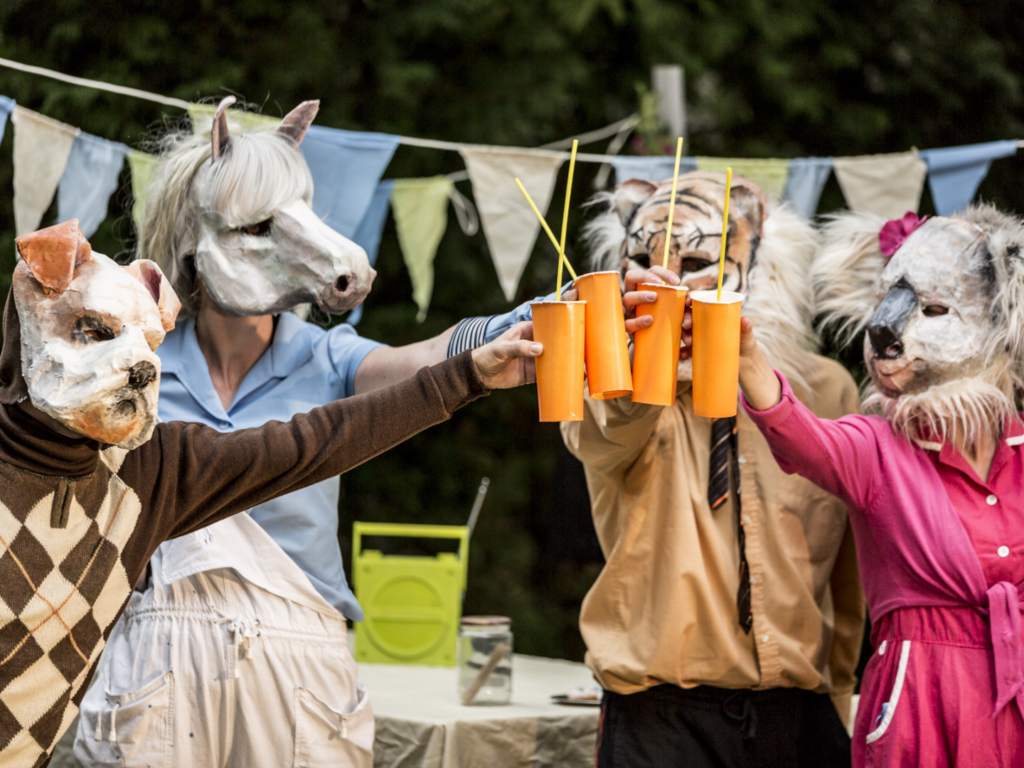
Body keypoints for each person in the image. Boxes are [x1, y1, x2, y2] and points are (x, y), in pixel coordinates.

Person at [72, 97, 543, 767]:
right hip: (155, 657)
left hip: (301, 662)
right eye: (260, 224)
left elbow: (423, 362)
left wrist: (524, 320)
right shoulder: (129, 372)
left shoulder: (328, 359)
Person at [561, 171, 865, 768]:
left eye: (697, 258)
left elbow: (851, 578)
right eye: (642, 258)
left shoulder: (826, 391)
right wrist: (635, 355)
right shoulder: (609, 383)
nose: (665, 277)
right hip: (661, 716)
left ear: (764, 266)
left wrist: (841, 696)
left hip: (799, 715)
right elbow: (605, 432)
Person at [739, 206, 1024, 767]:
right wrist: (746, 358)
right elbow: (802, 441)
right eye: (885, 304)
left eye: (936, 309)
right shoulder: (877, 448)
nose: (887, 330)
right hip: (919, 700)